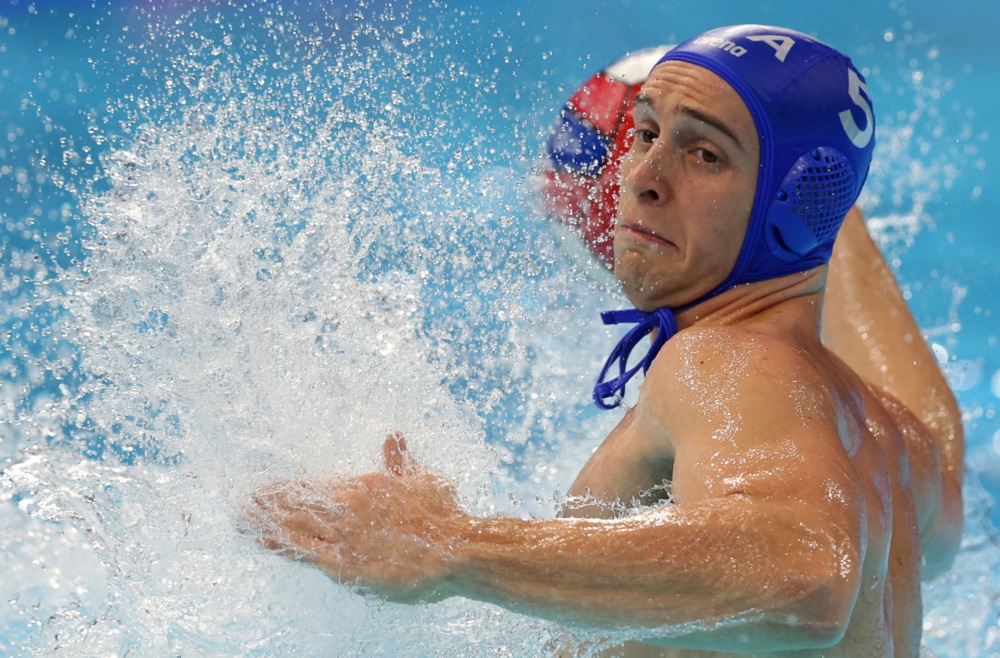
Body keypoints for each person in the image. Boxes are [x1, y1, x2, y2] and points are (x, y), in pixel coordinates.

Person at [250, 25, 964, 656]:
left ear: (793, 200)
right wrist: (826, 207)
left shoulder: (726, 363)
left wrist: (452, 546)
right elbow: (938, 454)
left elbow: (808, 576)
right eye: (645, 133)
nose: (643, 179)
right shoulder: (893, 442)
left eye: (705, 155)